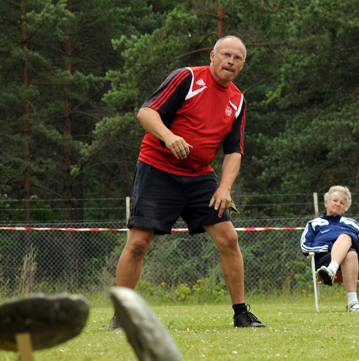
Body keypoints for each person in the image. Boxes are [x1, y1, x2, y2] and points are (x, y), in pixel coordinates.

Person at [110, 35, 265, 330]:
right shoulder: (188, 78)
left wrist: (225, 188)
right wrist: (169, 137)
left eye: (237, 58)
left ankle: (242, 314)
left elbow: (234, 151)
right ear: (212, 55)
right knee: (139, 243)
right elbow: (146, 112)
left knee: (229, 240)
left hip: (200, 177)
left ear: (243, 65)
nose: (230, 61)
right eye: (226, 55)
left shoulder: (238, 100)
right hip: (158, 168)